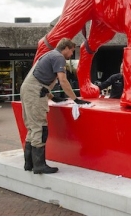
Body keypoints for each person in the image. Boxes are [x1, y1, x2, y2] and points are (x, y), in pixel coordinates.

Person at [20, 38, 90, 174]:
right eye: (71, 51)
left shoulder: (48, 54)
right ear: (66, 48)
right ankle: (39, 165)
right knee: (40, 127)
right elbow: (63, 80)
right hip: (35, 92)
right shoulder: (59, 57)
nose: (71, 55)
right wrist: (76, 99)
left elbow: (39, 79)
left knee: (32, 127)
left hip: (29, 89)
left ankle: (29, 163)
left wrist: (52, 97)